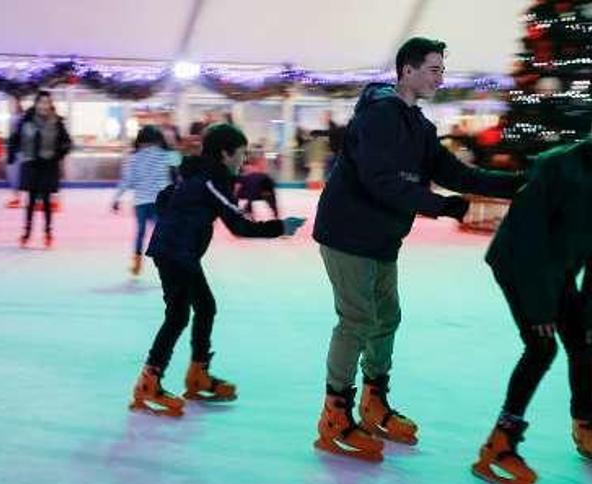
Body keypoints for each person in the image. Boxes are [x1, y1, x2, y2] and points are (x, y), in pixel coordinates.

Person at [311, 37, 526, 462]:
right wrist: (440, 206)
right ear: (406, 71)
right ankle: (335, 410)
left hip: (383, 237)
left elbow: (457, 174)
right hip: (348, 233)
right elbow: (381, 180)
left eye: (442, 70)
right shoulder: (379, 117)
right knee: (357, 318)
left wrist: (517, 182)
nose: (440, 77)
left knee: (386, 317)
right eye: (433, 69)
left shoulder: (418, 126)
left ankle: (374, 399)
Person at [129, 124, 304, 417]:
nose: (243, 160)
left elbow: (164, 198)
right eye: (240, 153)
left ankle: (197, 374)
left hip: (178, 251)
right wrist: (280, 227)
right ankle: (149, 381)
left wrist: (180, 219)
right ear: (225, 154)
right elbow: (239, 225)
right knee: (178, 316)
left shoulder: (198, 175)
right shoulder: (211, 180)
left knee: (205, 307)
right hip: (177, 253)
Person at [471, 138, 592, 484]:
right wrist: (540, 307)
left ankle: (586, 423)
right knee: (541, 348)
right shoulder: (557, 167)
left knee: (584, 340)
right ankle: (500, 442)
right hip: (519, 263)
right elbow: (529, 239)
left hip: (562, 266)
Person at [111, 126, 180, 275]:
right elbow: (179, 163)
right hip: (160, 201)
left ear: (140, 140)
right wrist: (170, 145)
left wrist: (116, 198)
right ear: (158, 140)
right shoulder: (165, 155)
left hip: (141, 202)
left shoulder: (133, 158)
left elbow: (127, 180)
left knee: (140, 233)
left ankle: (137, 263)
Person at [8, 91, 72, 248]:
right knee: (30, 201)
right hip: (31, 164)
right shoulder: (26, 120)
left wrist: (59, 154)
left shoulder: (57, 122)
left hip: (49, 164)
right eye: (41, 102)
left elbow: (67, 142)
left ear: (50, 105)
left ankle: (48, 233)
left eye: (47, 102)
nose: (44, 105)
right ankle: (27, 233)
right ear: (36, 104)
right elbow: (15, 138)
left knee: (46, 200)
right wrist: (12, 154)